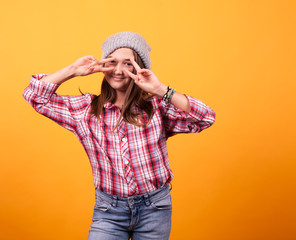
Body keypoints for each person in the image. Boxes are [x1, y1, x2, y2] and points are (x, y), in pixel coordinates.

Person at [23, 31, 216, 240]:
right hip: (109, 212)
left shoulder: (157, 107)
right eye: (112, 61)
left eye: (128, 63)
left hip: (155, 209)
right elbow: (35, 96)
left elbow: (205, 117)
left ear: (140, 68)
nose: (118, 70)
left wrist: (160, 89)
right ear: (103, 65)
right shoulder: (85, 111)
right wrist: (72, 71)